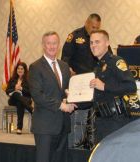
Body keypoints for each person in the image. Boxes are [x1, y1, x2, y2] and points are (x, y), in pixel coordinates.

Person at [29, 31, 77, 162]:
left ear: (59, 45)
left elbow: (66, 91)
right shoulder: (35, 67)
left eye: (54, 43)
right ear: (43, 46)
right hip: (45, 126)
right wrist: (61, 105)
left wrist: (72, 99)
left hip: (63, 125)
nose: (52, 46)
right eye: (48, 43)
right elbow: (37, 95)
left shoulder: (64, 66)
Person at [61, 13, 103, 149]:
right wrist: (69, 71)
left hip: (94, 85)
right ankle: (74, 148)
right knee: (77, 120)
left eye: (97, 28)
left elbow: (106, 59)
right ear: (86, 23)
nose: (95, 30)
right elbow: (65, 59)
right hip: (78, 84)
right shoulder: (75, 36)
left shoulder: (99, 38)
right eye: (93, 27)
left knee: (92, 120)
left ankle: (89, 149)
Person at [89, 29, 137, 143]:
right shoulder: (97, 67)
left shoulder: (116, 61)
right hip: (100, 121)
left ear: (107, 43)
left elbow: (131, 86)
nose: (93, 45)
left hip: (115, 121)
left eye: (97, 42)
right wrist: (75, 97)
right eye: (91, 42)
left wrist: (105, 86)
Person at [6, 62, 33, 134]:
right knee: (16, 94)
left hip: (25, 99)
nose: (20, 70)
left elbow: (30, 92)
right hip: (13, 99)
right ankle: (31, 109)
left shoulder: (29, 80)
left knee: (20, 102)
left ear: (24, 70)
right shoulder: (12, 79)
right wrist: (14, 89)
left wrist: (21, 88)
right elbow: (7, 91)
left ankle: (19, 128)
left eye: (22, 69)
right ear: (16, 70)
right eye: (18, 68)